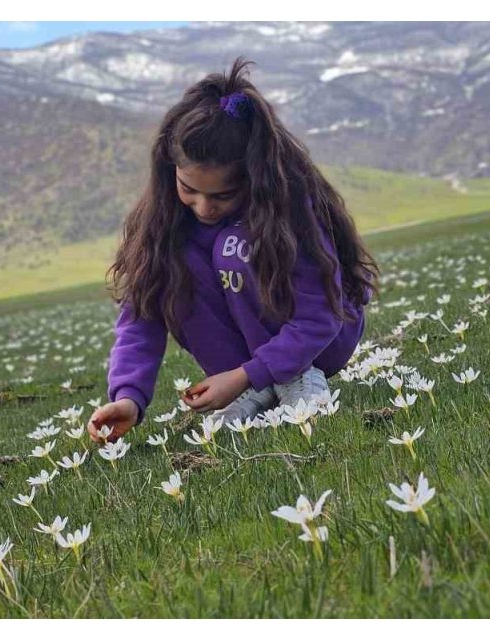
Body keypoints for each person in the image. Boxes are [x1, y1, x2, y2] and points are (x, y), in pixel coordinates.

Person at [87, 56, 380, 443]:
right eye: (188, 189)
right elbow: (141, 320)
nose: (203, 208)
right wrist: (128, 397)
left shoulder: (289, 210)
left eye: (223, 196)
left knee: (233, 249)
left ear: (255, 177)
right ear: (169, 170)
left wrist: (246, 375)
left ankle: (290, 377)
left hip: (320, 344)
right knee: (168, 265)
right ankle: (258, 389)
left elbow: (319, 316)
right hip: (239, 367)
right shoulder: (160, 225)